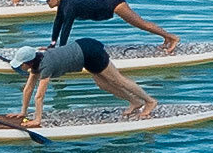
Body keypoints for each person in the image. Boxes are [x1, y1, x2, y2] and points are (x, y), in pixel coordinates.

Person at [9, 39, 158, 123]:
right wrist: (23, 112)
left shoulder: (46, 65)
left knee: (117, 80)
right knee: (103, 84)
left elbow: (39, 95)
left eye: (21, 64)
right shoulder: (36, 63)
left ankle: (149, 101)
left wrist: (37, 119)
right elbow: (28, 88)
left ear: (28, 62)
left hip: (90, 52)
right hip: (83, 54)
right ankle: (135, 101)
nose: (20, 67)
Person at [40, 0, 179, 53]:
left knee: (141, 24)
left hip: (114, 4)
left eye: (48, 0)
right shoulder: (64, 5)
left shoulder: (69, 6)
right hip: (109, 2)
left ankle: (172, 37)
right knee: (141, 24)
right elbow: (58, 23)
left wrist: (61, 51)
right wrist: (52, 45)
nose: (47, 3)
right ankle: (166, 38)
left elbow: (66, 28)